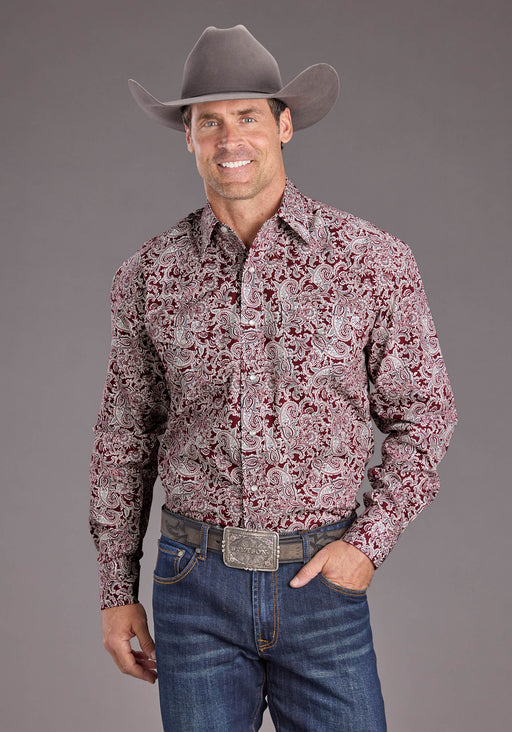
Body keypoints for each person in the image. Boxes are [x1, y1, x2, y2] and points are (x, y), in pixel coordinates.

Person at [90, 25, 457, 732]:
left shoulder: (371, 261)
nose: (230, 139)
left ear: (283, 125)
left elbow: (426, 414)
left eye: (248, 117)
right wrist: (115, 591)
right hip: (193, 588)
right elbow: (124, 438)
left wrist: (368, 542)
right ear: (188, 137)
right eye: (209, 122)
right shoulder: (150, 275)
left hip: (320, 586)